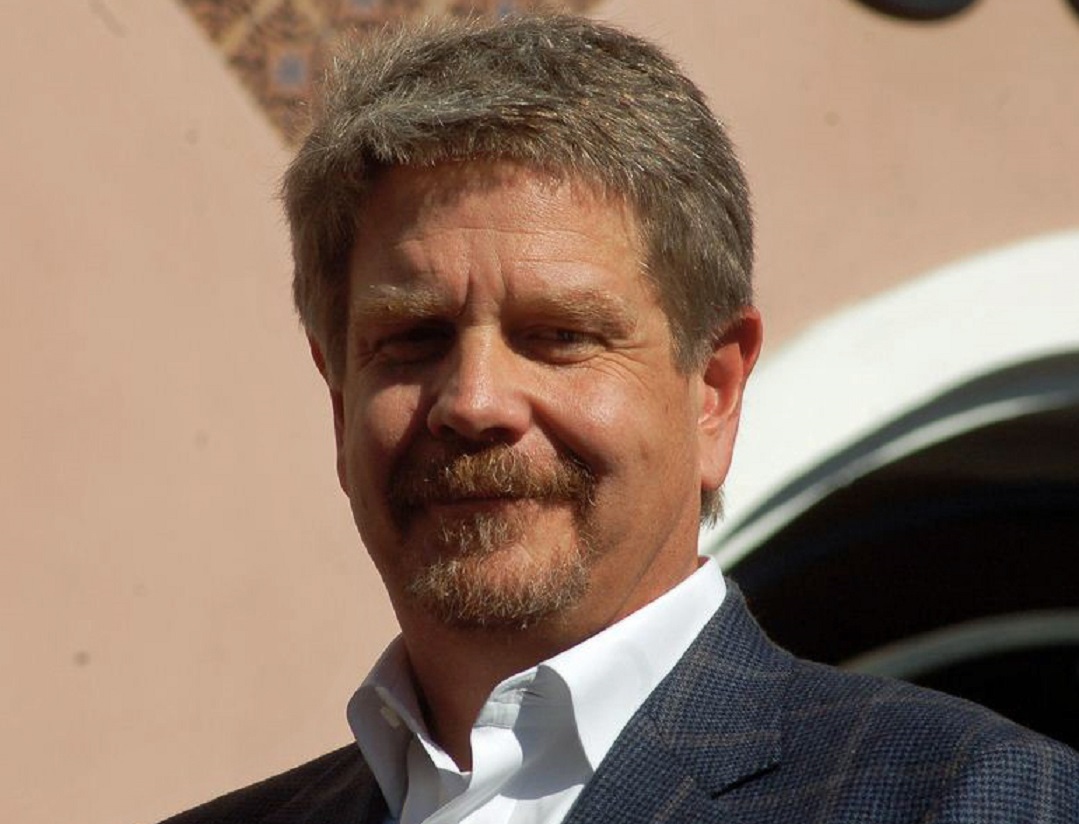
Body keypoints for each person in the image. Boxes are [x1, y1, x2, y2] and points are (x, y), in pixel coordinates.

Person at [161, 12, 1078, 824]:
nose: (474, 401)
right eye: (411, 339)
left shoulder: (963, 799)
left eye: (557, 335)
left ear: (712, 391)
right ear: (338, 402)